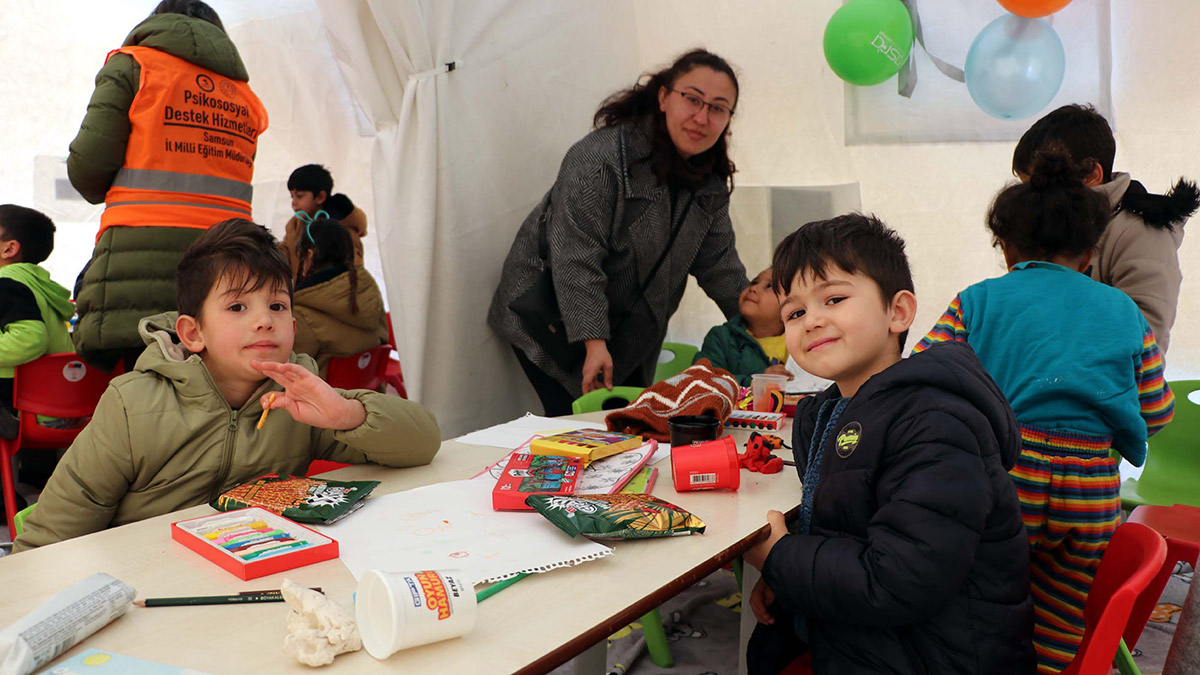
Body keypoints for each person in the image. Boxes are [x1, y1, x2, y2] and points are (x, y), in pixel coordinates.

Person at [12, 220, 439, 552]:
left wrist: (348, 414)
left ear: (293, 324)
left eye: (277, 305)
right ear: (193, 332)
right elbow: (55, 531)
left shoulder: (300, 397)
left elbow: (423, 443)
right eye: (237, 306)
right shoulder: (133, 404)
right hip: (141, 580)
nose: (263, 319)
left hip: (250, 573)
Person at [914, 152, 1176, 673]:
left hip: (1006, 476)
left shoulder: (979, 300)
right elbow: (1158, 410)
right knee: (1061, 611)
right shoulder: (1121, 309)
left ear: (1005, 245)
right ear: (1090, 251)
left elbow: (923, 376)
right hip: (1093, 490)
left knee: (975, 592)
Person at [743, 214, 1034, 675]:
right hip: (873, 634)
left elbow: (899, 580)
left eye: (833, 298)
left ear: (897, 312)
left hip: (938, 654)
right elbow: (845, 526)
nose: (812, 320)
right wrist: (790, 579)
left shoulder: (937, 422)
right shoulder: (827, 413)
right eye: (795, 313)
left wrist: (782, 557)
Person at [489, 49, 749, 415]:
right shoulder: (600, 159)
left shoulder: (710, 179)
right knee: (578, 427)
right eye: (692, 99)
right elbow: (575, 257)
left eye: (718, 108)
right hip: (551, 319)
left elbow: (719, 264)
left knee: (624, 428)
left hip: (627, 332)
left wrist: (763, 328)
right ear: (663, 97)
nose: (702, 117)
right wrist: (594, 343)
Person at [69, 0, 269, 370]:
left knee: (145, 404)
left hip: (137, 265)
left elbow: (88, 172)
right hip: (225, 262)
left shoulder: (134, 65)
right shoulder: (244, 96)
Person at [1012, 103, 1198, 356]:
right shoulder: (1057, 224)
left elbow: (1143, 344)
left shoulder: (1142, 234)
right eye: (1026, 187)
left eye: (1042, 184)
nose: (1033, 198)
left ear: (1092, 174)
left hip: (1111, 391)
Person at [0, 206, 75, 511]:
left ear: (9, 248)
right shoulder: (41, 286)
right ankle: (35, 477)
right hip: (58, 409)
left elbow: (30, 339)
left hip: (22, 410)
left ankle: (4, 503)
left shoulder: (7, 281)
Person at [291, 217, 388, 373]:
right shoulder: (369, 292)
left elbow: (290, 367)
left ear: (309, 255)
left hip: (320, 396)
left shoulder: (301, 312)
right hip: (369, 394)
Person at [693, 267, 791, 385]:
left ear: (789, 308)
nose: (753, 288)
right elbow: (702, 377)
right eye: (754, 282)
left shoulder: (796, 341)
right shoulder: (721, 337)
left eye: (769, 286)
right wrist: (754, 382)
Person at [280, 164, 368, 275]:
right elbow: (287, 251)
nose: (293, 202)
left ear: (320, 197)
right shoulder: (294, 225)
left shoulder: (341, 230)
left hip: (331, 290)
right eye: (292, 196)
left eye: (300, 196)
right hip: (304, 291)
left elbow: (353, 270)